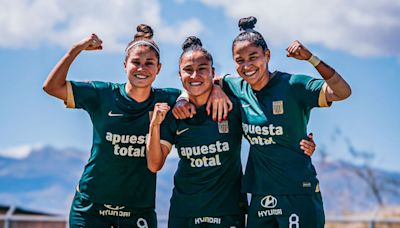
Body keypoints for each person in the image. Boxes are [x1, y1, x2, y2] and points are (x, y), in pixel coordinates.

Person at [42, 24, 229, 228]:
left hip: (137, 208)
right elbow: (52, 87)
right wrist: (76, 49)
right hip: (91, 206)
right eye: (136, 62)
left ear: (159, 68)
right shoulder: (102, 94)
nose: (142, 68)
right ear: (124, 65)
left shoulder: (168, 99)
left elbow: (199, 83)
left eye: (149, 63)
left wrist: (216, 89)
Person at [225, 17, 351, 228]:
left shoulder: (293, 85)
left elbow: (342, 92)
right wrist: (215, 91)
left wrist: (311, 59)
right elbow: (200, 82)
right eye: (239, 60)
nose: (247, 66)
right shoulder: (236, 87)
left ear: (267, 55)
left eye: (253, 57)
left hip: (298, 192)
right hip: (260, 194)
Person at [147, 36, 247, 228]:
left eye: (202, 69)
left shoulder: (231, 106)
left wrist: (218, 87)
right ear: (179, 75)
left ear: (212, 73)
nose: (195, 76)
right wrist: (154, 126)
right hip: (185, 212)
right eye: (188, 70)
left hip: (227, 212)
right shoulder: (175, 112)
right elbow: (154, 164)